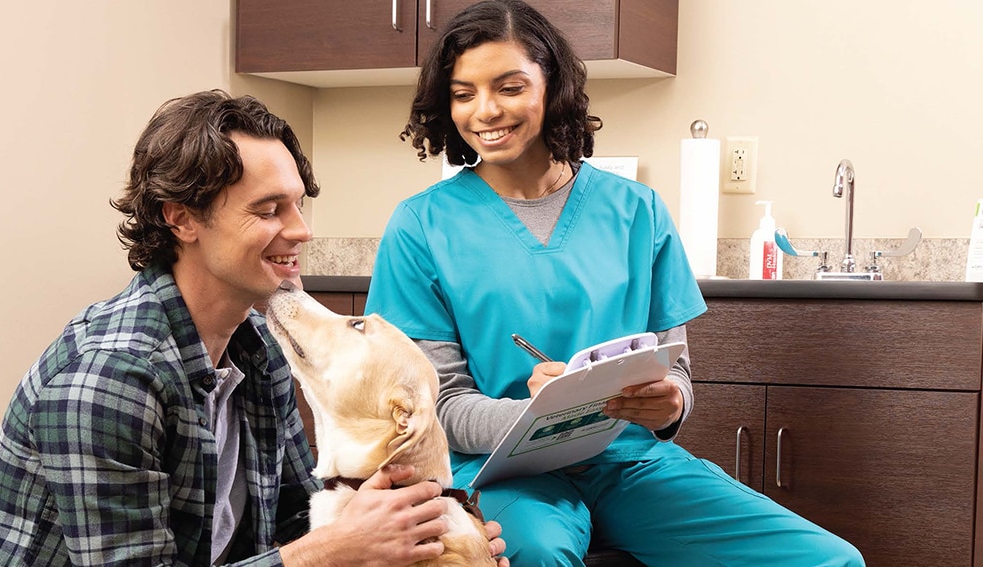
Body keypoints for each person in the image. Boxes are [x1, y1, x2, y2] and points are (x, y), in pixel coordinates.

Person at [364, 1, 866, 566]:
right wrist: (549, 415)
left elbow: (672, 367)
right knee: (536, 556)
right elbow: (439, 405)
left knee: (827, 559)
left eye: (509, 87)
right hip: (501, 472)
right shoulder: (421, 226)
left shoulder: (638, 211)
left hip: (630, 462)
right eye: (463, 94)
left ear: (551, 86)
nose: (485, 111)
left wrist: (671, 402)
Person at [0, 90, 507, 567]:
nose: (301, 230)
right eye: (269, 209)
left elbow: (298, 520)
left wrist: (429, 542)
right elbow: (316, 548)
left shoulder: (259, 349)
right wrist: (334, 549)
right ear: (182, 219)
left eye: (298, 204)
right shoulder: (109, 381)